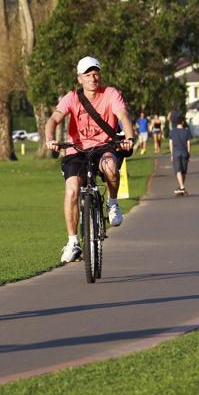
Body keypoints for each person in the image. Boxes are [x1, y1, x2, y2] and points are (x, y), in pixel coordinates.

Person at [44, 56, 135, 262]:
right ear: (79, 78)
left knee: (111, 167)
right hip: (77, 150)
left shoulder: (110, 94)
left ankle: (112, 203)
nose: (93, 78)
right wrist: (50, 139)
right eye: (88, 74)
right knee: (72, 190)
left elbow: (123, 116)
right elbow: (54, 119)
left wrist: (128, 138)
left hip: (104, 147)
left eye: (96, 73)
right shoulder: (71, 98)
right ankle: (72, 241)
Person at [169, 118, 191, 195]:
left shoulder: (172, 132)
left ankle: (181, 187)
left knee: (178, 170)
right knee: (183, 171)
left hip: (176, 153)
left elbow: (171, 144)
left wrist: (171, 154)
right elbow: (188, 143)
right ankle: (181, 187)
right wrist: (189, 153)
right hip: (184, 153)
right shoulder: (186, 131)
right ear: (182, 122)